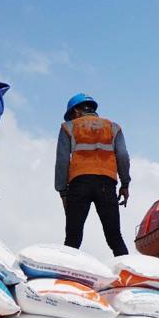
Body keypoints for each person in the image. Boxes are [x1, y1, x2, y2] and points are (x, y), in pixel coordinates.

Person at [55, 93, 131, 256]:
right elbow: (123, 156)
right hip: (106, 184)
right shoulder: (113, 127)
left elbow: (62, 160)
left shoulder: (68, 127)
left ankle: (64, 276)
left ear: (75, 110)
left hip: (79, 183)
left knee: (72, 239)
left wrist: (62, 191)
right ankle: (129, 275)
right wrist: (125, 184)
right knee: (114, 237)